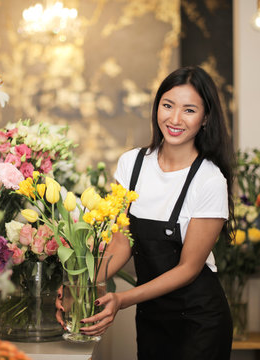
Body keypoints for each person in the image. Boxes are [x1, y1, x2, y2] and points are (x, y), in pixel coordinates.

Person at [71, 66, 235, 359]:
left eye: (189, 110)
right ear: (156, 105)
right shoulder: (131, 164)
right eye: (167, 105)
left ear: (205, 117)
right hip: (152, 318)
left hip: (200, 322)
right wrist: (81, 284)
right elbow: (122, 242)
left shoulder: (209, 180)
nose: (174, 119)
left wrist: (121, 299)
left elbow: (188, 268)